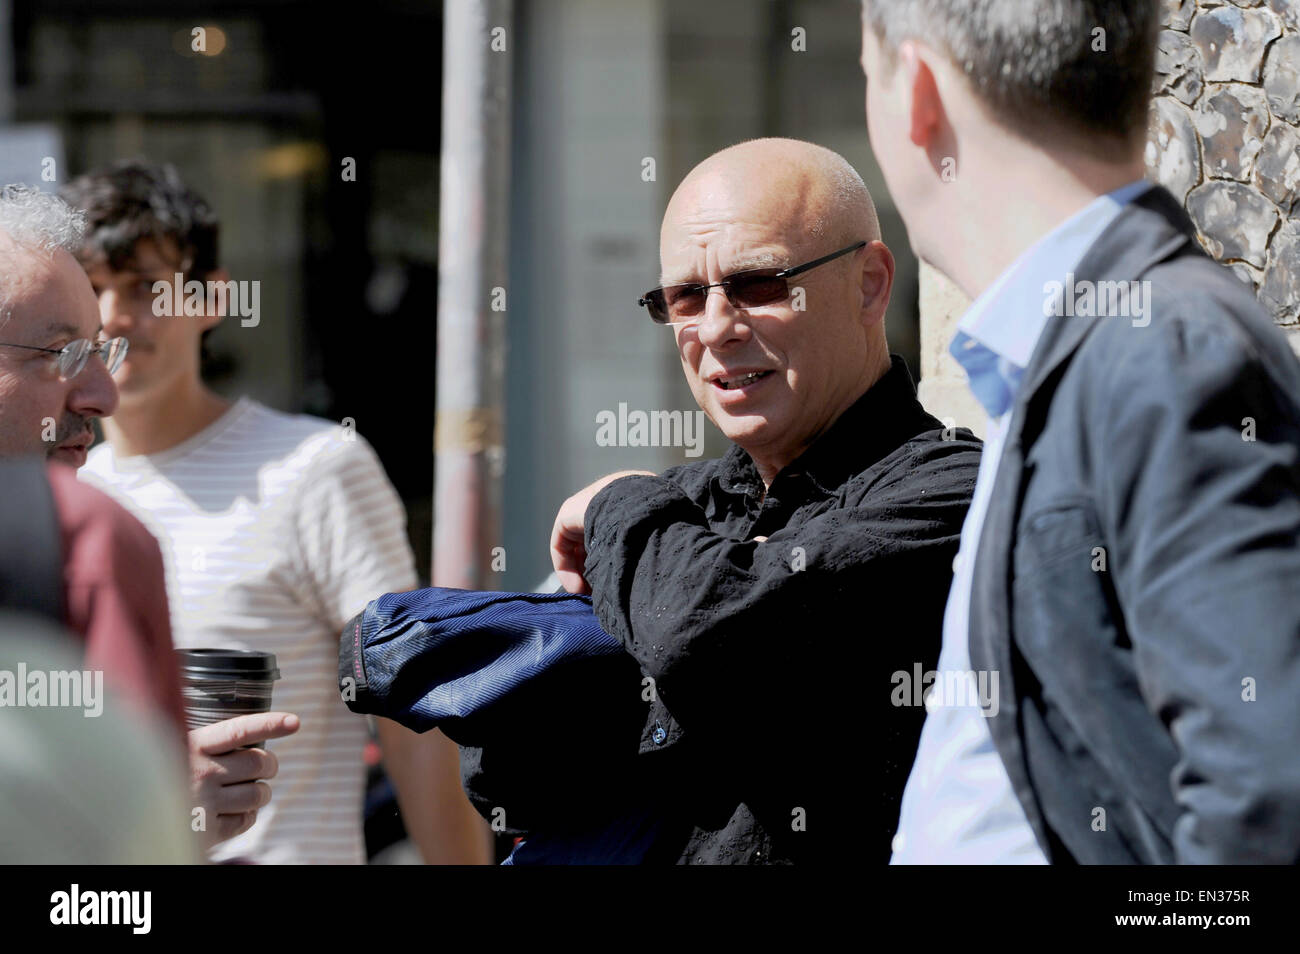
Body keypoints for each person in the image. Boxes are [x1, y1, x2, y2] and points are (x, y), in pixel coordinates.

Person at [346, 138, 983, 863]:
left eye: (758, 283)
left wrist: (620, 506)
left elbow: (711, 636)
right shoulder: (686, 502)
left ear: (869, 284)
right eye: (684, 297)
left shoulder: (953, 496)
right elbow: (507, 779)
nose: (715, 328)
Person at [860, 0, 1300, 864]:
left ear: (917, 92)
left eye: (865, 74)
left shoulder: (1162, 351)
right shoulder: (1069, 349)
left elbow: (1270, 798)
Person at [64, 160, 490, 865]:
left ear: (212, 298)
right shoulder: (62, 487)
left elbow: (409, 714)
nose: (113, 316)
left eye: (145, 288)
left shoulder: (315, 469)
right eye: (93, 289)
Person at [0, 183, 296, 853]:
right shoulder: (85, 533)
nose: (104, 394)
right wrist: (154, 807)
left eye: (98, 353)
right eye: (62, 355)